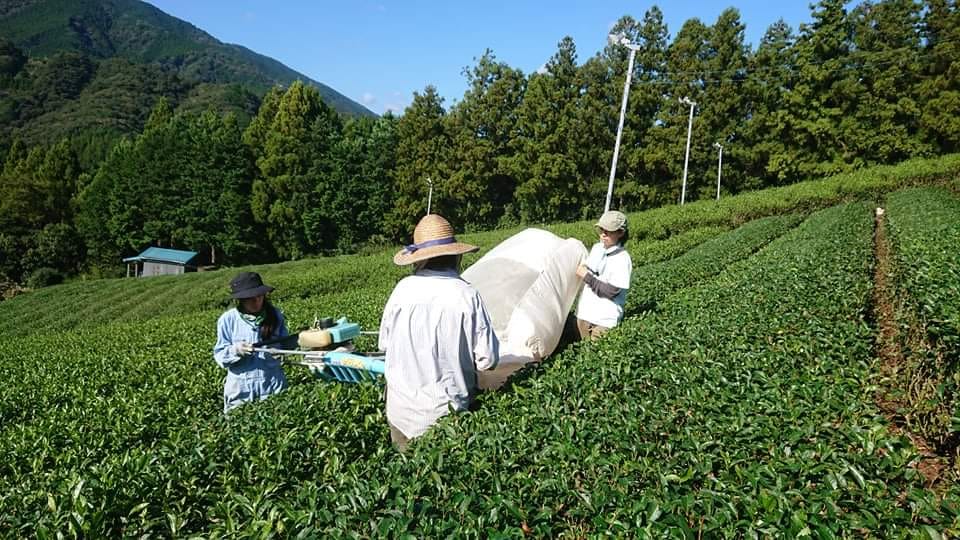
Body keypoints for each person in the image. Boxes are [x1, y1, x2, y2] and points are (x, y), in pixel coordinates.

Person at [379, 214, 500, 450]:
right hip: (446, 418)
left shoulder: (401, 291)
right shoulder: (466, 295)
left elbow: (385, 345)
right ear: (456, 256)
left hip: (400, 415)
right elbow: (488, 360)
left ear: (419, 260)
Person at [213, 271, 289, 413]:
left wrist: (278, 349)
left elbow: (286, 344)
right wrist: (235, 350)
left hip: (272, 383)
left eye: (259, 296)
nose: (256, 301)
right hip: (241, 388)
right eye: (251, 298)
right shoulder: (228, 320)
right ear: (241, 299)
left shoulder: (276, 315)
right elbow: (220, 356)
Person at [574, 210, 633, 340]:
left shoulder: (622, 259)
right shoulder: (597, 248)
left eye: (609, 231)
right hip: (584, 315)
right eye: (601, 229)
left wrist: (587, 277)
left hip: (603, 322)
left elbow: (613, 291)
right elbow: (586, 269)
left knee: (596, 356)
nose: (603, 234)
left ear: (621, 233)